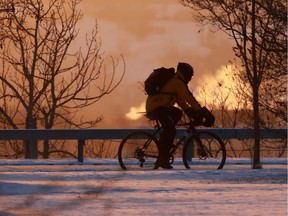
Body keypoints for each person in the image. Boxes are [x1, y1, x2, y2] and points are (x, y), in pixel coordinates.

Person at [145, 62, 213, 169]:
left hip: (159, 106)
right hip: (157, 107)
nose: (190, 78)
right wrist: (200, 111)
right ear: (186, 73)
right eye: (190, 76)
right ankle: (163, 157)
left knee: (177, 113)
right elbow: (188, 98)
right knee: (171, 130)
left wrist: (190, 112)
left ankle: (165, 140)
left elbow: (181, 101)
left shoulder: (175, 82)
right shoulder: (178, 82)